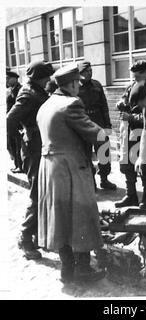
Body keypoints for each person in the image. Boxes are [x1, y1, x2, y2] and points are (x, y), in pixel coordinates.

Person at [37, 64, 107, 283]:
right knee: (82, 216)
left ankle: (67, 270)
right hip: (71, 167)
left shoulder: (46, 105)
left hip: (49, 168)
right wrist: (104, 153)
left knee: (60, 219)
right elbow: (97, 135)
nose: (79, 87)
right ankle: (84, 270)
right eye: (78, 83)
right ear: (73, 83)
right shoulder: (71, 104)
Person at [7, 60, 54, 260]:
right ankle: (25, 238)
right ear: (40, 77)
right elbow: (9, 120)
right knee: (38, 194)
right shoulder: (28, 94)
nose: (49, 79)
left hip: (39, 147)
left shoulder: (35, 90)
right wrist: (23, 137)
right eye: (46, 76)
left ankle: (36, 236)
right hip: (33, 150)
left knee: (43, 193)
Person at [115, 60, 146, 209]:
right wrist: (121, 102)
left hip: (145, 133)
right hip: (130, 131)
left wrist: (131, 117)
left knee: (144, 165)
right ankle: (131, 195)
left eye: (137, 77)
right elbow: (125, 96)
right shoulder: (134, 85)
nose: (134, 80)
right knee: (127, 163)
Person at [78, 61, 116, 190]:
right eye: (86, 71)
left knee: (104, 153)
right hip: (84, 124)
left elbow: (104, 105)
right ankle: (91, 181)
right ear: (80, 73)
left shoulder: (97, 84)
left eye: (90, 70)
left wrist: (108, 124)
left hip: (99, 122)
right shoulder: (75, 87)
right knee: (86, 155)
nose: (89, 73)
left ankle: (104, 179)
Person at [6, 70, 23, 173]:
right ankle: (17, 164)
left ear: (15, 79)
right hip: (11, 123)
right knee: (11, 144)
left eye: (8, 78)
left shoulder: (20, 90)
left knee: (18, 145)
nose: (6, 81)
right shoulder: (11, 90)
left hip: (17, 123)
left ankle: (20, 166)